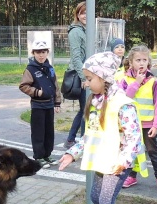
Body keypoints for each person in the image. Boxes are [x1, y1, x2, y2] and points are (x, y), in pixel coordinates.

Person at [58, 51, 146, 204]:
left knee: (106, 201)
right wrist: (72, 154)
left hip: (117, 163)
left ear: (104, 77)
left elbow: (133, 139)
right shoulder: (96, 102)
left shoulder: (122, 103)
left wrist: (123, 162)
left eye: (89, 79)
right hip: (102, 160)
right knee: (95, 197)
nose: (86, 84)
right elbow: (89, 135)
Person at [120, 44, 157, 193]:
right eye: (138, 60)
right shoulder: (125, 80)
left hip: (148, 124)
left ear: (148, 62)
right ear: (131, 62)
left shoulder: (153, 81)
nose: (141, 63)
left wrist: (156, 125)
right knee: (133, 151)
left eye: (144, 60)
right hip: (131, 125)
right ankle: (132, 176)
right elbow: (124, 98)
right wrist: (136, 83)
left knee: (153, 151)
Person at [19, 39, 61, 168]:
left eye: (43, 52)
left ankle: (47, 155)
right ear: (33, 53)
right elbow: (23, 86)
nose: (41, 55)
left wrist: (57, 102)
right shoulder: (30, 69)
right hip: (38, 106)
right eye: (38, 52)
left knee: (49, 132)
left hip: (49, 105)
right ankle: (38, 156)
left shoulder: (50, 68)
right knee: (38, 132)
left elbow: (55, 85)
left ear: (47, 52)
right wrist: (37, 92)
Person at [63, 1, 87, 149]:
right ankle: (81, 142)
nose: (85, 16)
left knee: (84, 109)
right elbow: (76, 57)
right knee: (86, 110)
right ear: (77, 15)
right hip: (80, 76)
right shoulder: (75, 31)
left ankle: (71, 140)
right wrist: (84, 78)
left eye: (87, 13)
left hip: (87, 74)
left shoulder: (86, 30)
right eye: (82, 13)